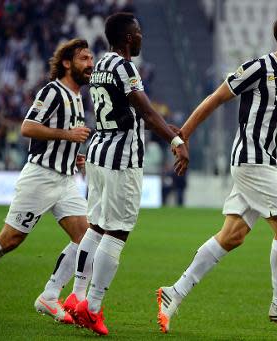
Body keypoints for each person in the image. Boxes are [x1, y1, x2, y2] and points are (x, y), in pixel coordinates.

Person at [156, 10, 277, 336]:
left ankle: (174, 292)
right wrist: (182, 135)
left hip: (266, 162)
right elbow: (216, 98)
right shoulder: (259, 68)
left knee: (232, 236)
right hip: (251, 160)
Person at [66, 12, 189, 336]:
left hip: (99, 153)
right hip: (122, 159)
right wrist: (175, 141)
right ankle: (92, 308)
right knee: (117, 231)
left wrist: (164, 128)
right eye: (138, 32)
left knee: (96, 225)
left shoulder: (102, 65)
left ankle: (77, 297)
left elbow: (133, 112)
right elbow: (146, 112)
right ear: (127, 37)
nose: (141, 37)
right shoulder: (125, 66)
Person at [0, 39, 94, 323]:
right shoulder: (52, 91)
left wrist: (74, 156)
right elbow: (28, 127)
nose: (90, 64)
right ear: (67, 63)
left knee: (87, 239)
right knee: (9, 240)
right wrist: (68, 136)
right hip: (40, 177)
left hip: (65, 179)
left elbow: (65, 137)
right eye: (84, 58)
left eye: (91, 58)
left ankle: (49, 295)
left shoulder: (77, 97)